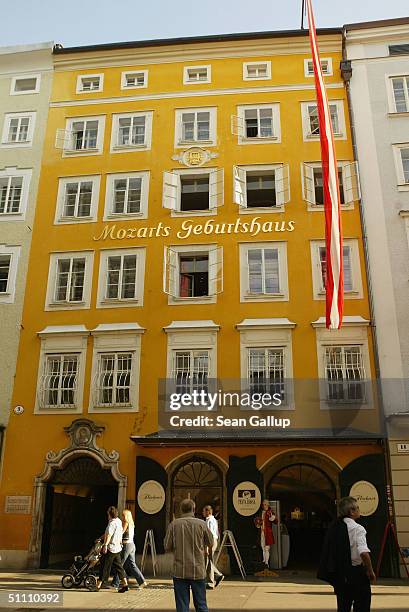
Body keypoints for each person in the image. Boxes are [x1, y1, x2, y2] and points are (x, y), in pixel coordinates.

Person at [318, 496, 375, 612]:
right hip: (356, 573)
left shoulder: (335, 527)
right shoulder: (358, 529)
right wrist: (370, 570)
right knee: (362, 605)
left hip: (341, 573)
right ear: (352, 511)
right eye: (357, 508)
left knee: (343, 606)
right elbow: (363, 553)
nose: (359, 510)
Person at [165, 498, 213, 612]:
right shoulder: (202, 524)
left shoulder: (173, 525)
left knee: (182, 607)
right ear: (194, 509)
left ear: (181, 510)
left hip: (180, 570)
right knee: (201, 605)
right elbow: (211, 542)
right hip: (198, 569)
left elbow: (167, 546)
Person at [112, 509, 148, 590]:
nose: (122, 517)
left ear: (126, 516)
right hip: (132, 545)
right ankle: (142, 581)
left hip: (126, 545)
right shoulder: (132, 524)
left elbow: (121, 532)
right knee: (132, 565)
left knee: (119, 564)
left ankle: (115, 583)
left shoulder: (126, 523)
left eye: (123, 515)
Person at [96, 506, 128, 592]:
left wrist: (105, 545)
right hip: (118, 548)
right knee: (119, 567)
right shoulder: (118, 521)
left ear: (109, 514)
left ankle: (98, 585)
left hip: (111, 548)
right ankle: (125, 584)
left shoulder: (112, 523)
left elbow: (109, 535)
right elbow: (119, 533)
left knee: (104, 566)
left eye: (107, 514)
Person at [202, 505, 224, 589]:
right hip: (214, 540)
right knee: (208, 561)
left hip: (210, 541)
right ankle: (218, 575)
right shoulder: (214, 520)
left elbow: (209, 533)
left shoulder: (209, 521)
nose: (203, 513)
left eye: (204, 511)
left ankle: (211, 582)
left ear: (208, 512)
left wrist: (207, 547)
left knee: (208, 561)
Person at [255, 499, 275, 568]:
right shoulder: (261, 512)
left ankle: (266, 563)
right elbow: (257, 521)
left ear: (268, 505)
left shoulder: (270, 512)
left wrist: (272, 517)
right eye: (263, 504)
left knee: (267, 548)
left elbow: (275, 520)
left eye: (266, 504)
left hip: (267, 533)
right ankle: (264, 561)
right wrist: (258, 524)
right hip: (261, 532)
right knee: (262, 547)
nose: (264, 506)